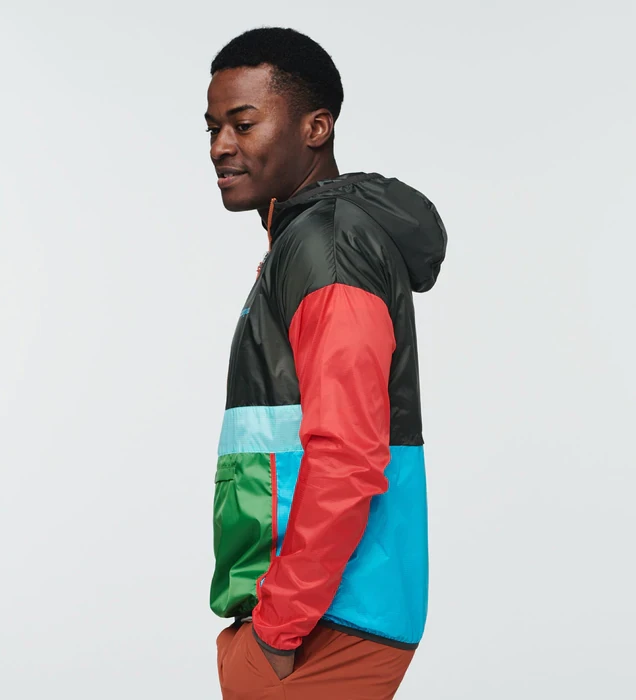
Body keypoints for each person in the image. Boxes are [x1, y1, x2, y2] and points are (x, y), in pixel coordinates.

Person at [206, 27, 447, 700]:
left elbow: (348, 453)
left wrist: (277, 631)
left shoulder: (328, 248)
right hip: (319, 612)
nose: (221, 145)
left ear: (316, 128)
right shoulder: (308, 241)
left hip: (326, 623)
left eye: (243, 123)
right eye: (213, 128)